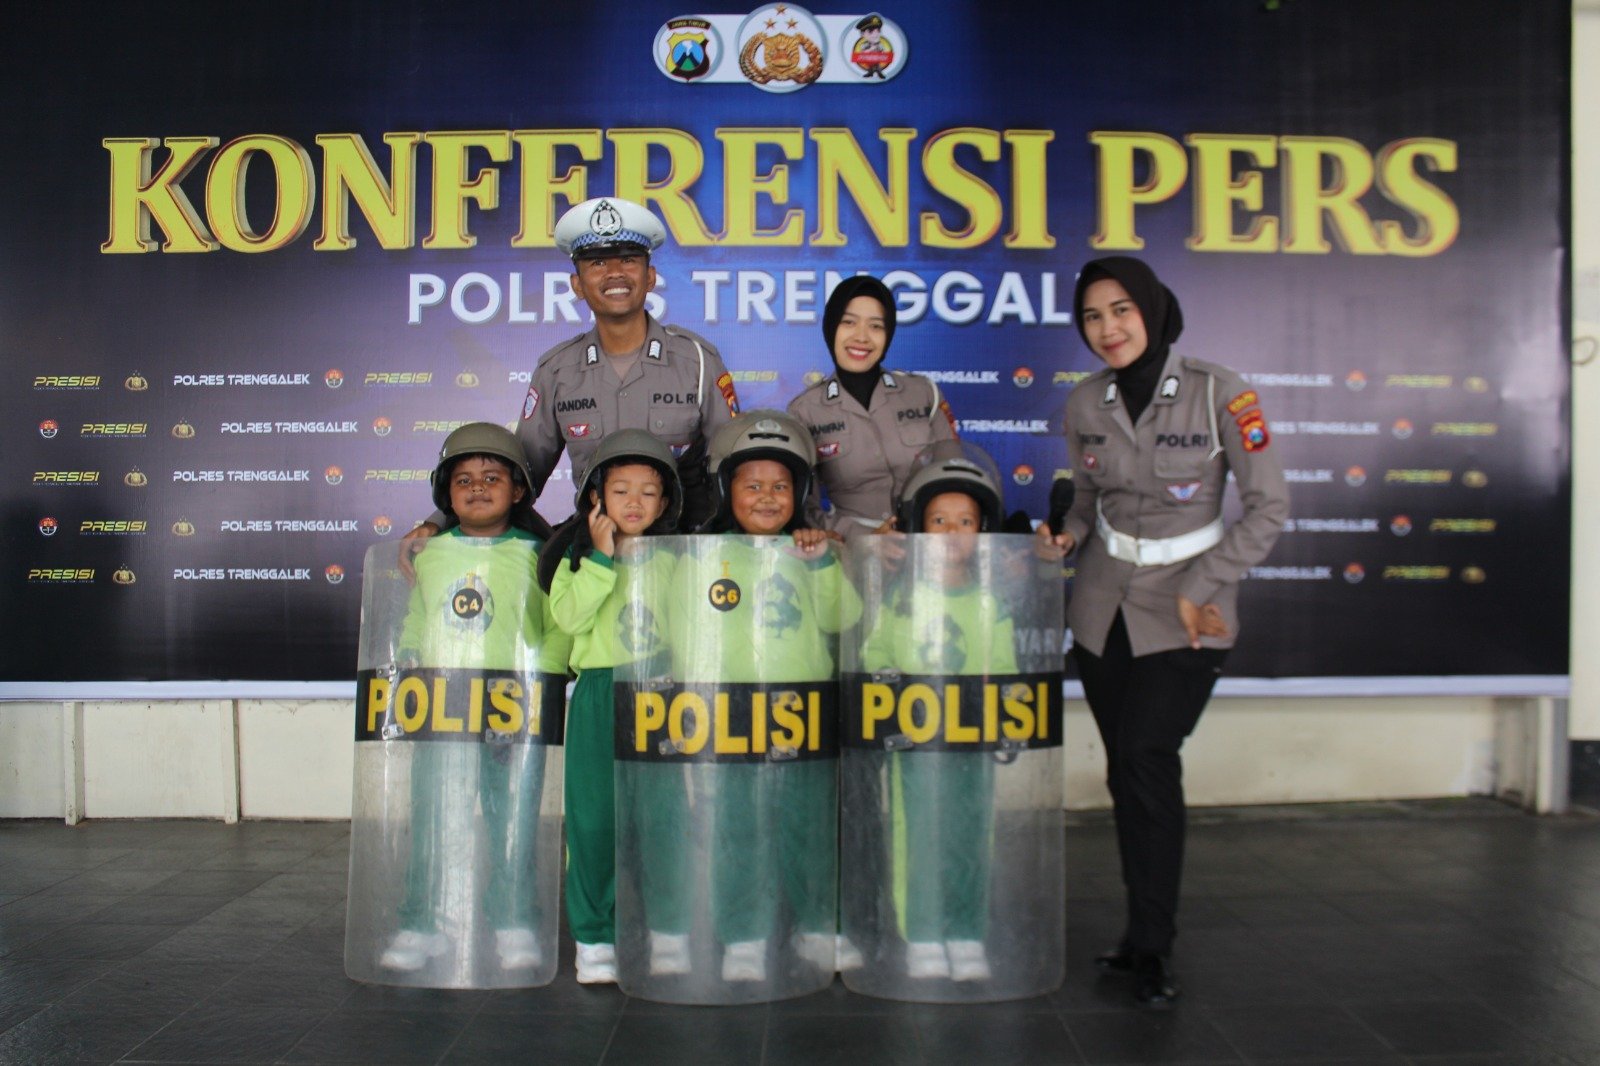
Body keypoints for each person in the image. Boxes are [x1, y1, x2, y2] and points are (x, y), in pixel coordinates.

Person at [1039, 256, 1288, 1007]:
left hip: (1188, 613)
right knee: (1126, 770)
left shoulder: (1220, 391)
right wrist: (1066, 536)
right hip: (1101, 611)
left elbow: (1269, 509)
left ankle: (1153, 945)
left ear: (1150, 309)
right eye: (1092, 316)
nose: (1107, 328)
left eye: (1121, 310)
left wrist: (1204, 585)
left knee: (1148, 758)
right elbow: (1087, 503)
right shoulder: (1086, 400)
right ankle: (1137, 934)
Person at [405, 195, 739, 547]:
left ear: (650, 277)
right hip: (593, 546)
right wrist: (439, 522)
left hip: (683, 544)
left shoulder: (697, 361)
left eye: (629, 260)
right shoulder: (558, 371)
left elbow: (734, 466)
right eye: (597, 263)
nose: (615, 273)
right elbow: (519, 472)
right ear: (577, 285)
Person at [678, 410, 860, 982]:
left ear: (800, 493)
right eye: (752, 485)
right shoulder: (702, 554)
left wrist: (823, 563)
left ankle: (818, 925)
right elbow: (687, 634)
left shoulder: (813, 550)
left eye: (780, 486)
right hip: (730, 718)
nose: (766, 497)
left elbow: (844, 618)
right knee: (736, 828)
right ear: (725, 490)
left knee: (809, 826)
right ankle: (743, 936)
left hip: (799, 715)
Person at [379, 423, 562, 974]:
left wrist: (545, 681)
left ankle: (513, 920)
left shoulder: (537, 554)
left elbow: (556, 624)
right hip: (444, 707)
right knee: (435, 816)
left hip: (512, 709)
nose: (477, 488)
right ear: (446, 493)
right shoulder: (430, 554)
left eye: (491, 478)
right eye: (463, 480)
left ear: (519, 490)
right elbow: (418, 618)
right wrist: (410, 663)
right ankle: (422, 922)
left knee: (514, 819)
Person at [858, 442, 1014, 983]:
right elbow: (875, 658)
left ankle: (965, 932)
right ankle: (922, 933)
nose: (951, 533)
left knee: (971, 838)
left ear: (982, 530)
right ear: (917, 529)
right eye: (938, 520)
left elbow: (1006, 673)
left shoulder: (991, 603)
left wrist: (1003, 721)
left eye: (965, 521)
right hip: (916, 750)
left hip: (972, 748)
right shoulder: (900, 600)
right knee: (917, 840)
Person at [540, 430, 683, 984]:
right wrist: (600, 559)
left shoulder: (675, 560)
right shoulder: (575, 560)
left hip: (661, 696)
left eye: (648, 492)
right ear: (596, 498)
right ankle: (595, 937)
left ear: (665, 503)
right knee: (594, 820)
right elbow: (569, 619)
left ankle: (665, 928)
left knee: (663, 817)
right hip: (599, 693)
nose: (634, 502)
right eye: (620, 490)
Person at [787, 275, 957, 541]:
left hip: (927, 543)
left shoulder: (923, 392)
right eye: (849, 322)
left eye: (876, 326)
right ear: (831, 328)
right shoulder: (805, 410)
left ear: (888, 334)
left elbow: (956, 476)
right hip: (851, 549)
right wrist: (867, 536)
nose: (862, 337)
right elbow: (804, 509)